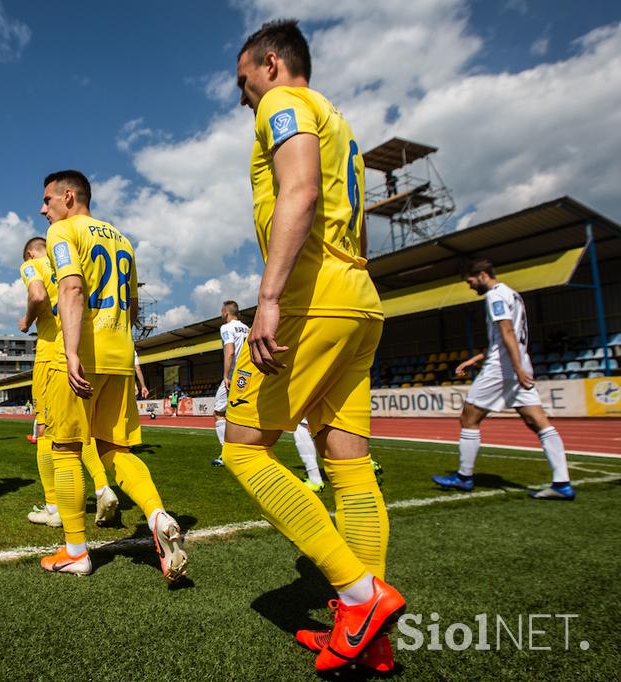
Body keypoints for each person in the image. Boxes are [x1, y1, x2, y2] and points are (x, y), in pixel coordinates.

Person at [225, 20, 404, 672]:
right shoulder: (340, 121)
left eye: (245, 84)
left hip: (312, 296)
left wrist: (268, 297)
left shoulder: (285, 102)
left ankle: (358, 599)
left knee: (244, 451)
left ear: (270, 64)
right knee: (350, 466)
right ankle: (372, 641)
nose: (246, 99)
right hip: (360, 297)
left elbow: (299, 191)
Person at [39, 169, 187, 581]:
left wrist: (70, 351)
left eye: (47, 200)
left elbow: (71, 288)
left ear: (68, 197)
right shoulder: (122, 239)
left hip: (81, 354)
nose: (43, 209)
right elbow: (135, 307)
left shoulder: (63, 232)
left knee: (65, 449)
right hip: (120, 354)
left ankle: (75, 552)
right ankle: (157, 515)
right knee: (114, 450)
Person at [432, 259, 572, 500]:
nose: (470, 286)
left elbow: (506, 331)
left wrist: (515, 367)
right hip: (517, 363)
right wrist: (474, 359)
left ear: (483, 275)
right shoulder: (513, 295)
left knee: (469, 417)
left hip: (502, 368)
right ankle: (562, 483)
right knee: (538, 421)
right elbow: (506, 337)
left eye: (471, 281)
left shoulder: (494, 296)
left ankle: (464, 477)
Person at [19, 236, 118, 527]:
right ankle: (102, 487)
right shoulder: (69, 264)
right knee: (79, 429)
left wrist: (26, 321)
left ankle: (54, 509)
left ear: (28, 253)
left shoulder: (31, 265)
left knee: (47, 431)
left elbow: (37, 295)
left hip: (51, 355)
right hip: (81, 349)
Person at [211, 300, 249, 466]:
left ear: (226, 312)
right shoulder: (246, 328)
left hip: (234, 374)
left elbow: (230, 350)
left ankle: (227, 454)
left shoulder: (226, 327)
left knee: (219, 412)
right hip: (248, 375)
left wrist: (226, 375)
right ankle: (245, 451)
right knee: (240, 414)